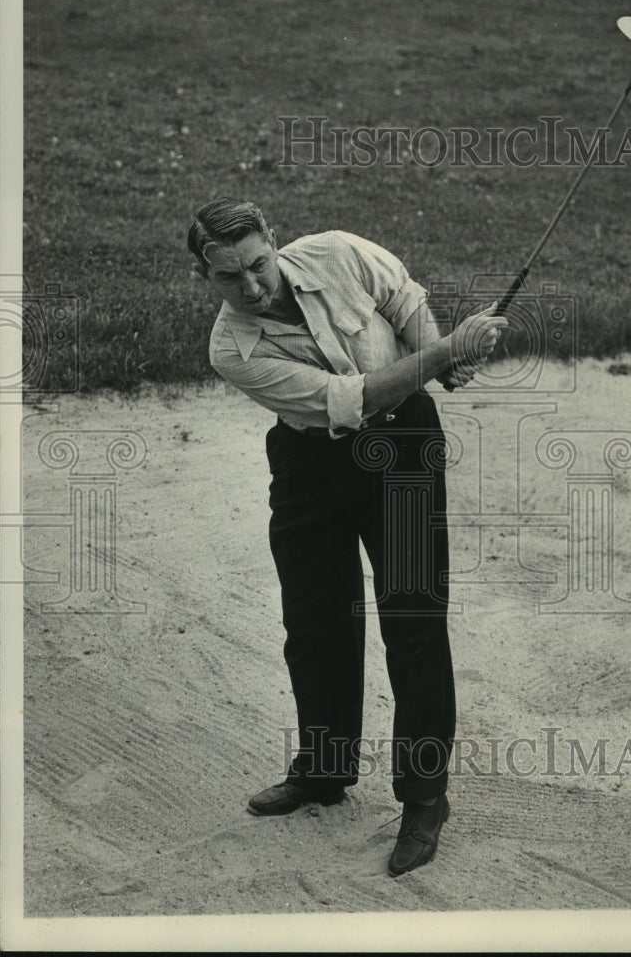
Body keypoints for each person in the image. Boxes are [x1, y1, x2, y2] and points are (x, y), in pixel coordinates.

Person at [187, 197, 506, 877]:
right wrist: (446, 353)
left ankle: (424, 797)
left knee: (413, 621)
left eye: (256, 265)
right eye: (228, 277)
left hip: (405, 453)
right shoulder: (230, 348)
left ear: (273, 241)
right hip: (311, 465)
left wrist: (431, 351)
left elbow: (401, 296)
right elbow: (351, 399)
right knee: (314, 622)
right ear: (205, 278)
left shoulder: (337, 251)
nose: (250, 287)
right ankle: (324, 772)